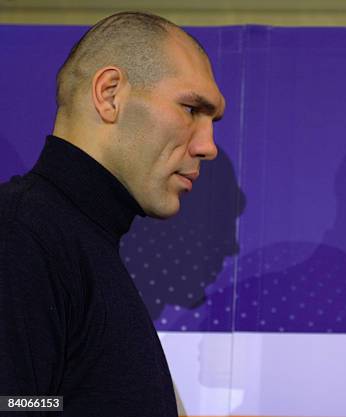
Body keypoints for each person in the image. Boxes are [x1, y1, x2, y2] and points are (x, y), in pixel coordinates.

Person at [0, 11, 224, 416]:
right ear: (109, 94)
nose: (208, 145)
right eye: (191, 108)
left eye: (213, 119)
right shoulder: (19, 235)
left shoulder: (78, 241)